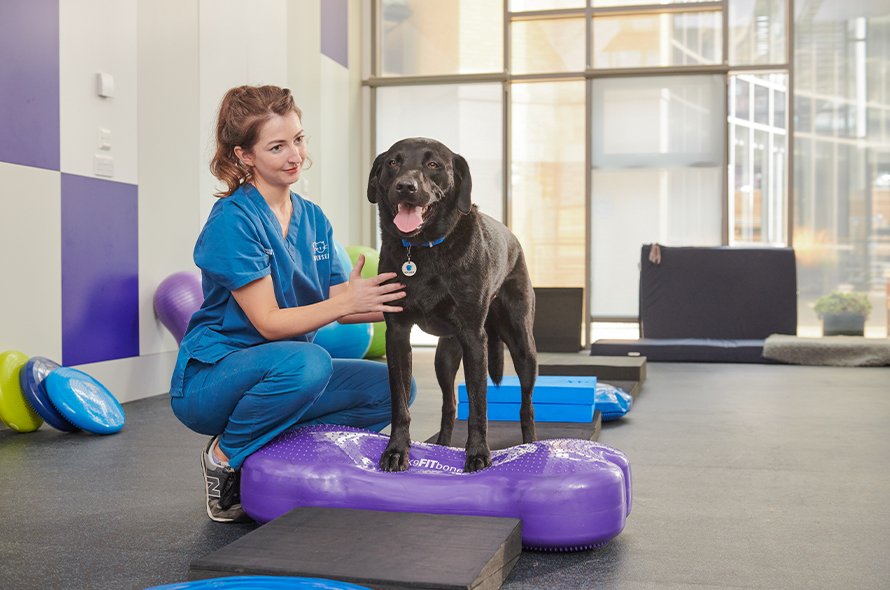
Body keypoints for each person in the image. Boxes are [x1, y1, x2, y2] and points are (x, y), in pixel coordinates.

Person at [169, 84, 414, 523]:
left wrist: (422, 303)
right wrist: (347, 303)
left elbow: (338, 298)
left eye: (298, 140)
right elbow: (269, 323)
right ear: (245, 156)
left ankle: (272, 453)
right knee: (310, 362)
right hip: (213, 379)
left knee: (394, 390)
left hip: (286, 371)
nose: (294, 155)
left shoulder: (313, 217)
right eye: (277, 146)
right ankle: (225, 457)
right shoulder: (234, 220)